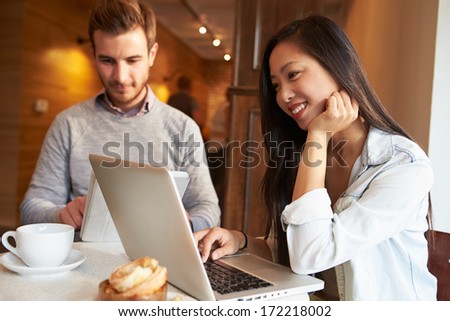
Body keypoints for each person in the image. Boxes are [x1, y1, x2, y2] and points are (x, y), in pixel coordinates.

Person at [194, 15, 437, 300]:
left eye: (293, 74)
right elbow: (297, 246)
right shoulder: (311, 151)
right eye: (275, 85)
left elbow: (311, 254)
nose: (282, 95)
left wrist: (319, 135)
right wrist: (243, 241)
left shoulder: (402, 165)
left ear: (337, 67)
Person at [20, 0, 220, 233]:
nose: (121, 77)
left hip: (158, 263)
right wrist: (61, 214)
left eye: (132, 60)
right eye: (107, 61)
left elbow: (207, 208)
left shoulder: (183, 128)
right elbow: (31, 207)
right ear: (93, 54)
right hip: (82, 263)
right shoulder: (68, 124)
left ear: (152, 54)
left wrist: (188, 224)